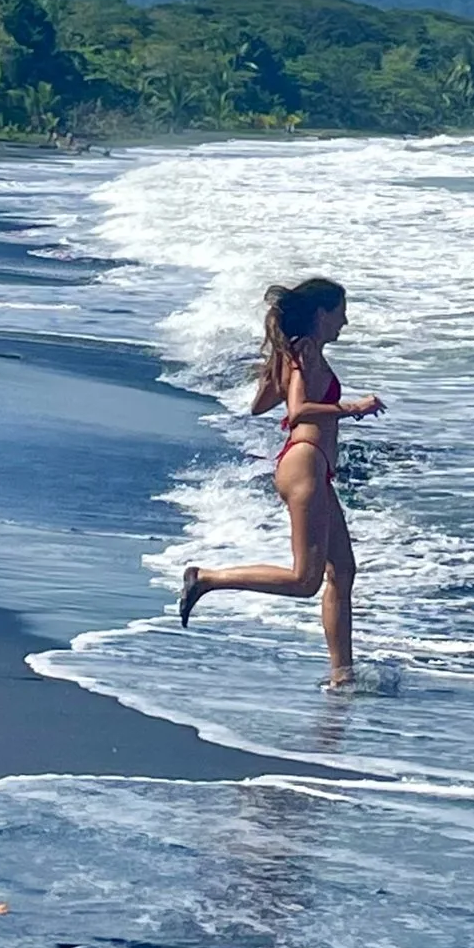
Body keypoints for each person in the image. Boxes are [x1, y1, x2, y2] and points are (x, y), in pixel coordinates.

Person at [177, 276, 383, 687]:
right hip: (304, 462)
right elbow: (298, 410)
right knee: (305, 581)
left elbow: (259, 406)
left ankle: (342, 674)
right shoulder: (305, 352)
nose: (345, 321)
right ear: (322, 314)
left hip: (312, 466)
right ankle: (207, 579)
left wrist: (280, 365)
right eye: (341, 311)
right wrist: (352, 408)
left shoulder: (299, 354)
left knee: (342, 570)